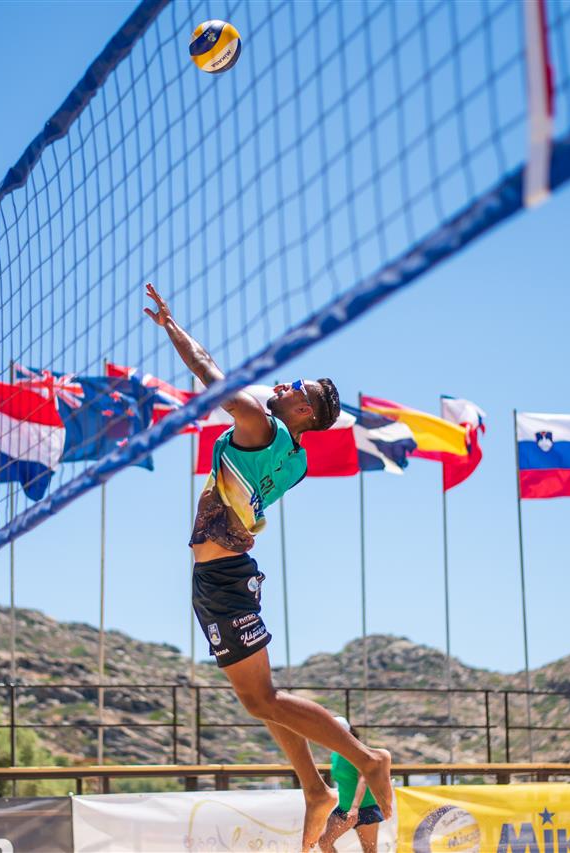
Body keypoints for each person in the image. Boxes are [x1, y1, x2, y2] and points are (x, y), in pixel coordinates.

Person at [143, 283, 393, 852]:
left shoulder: (259, 422)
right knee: (263, 698)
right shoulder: (297, 460)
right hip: (222, 577)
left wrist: (172, 328)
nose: (282, 386)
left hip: (225, 577)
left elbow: (210, 373)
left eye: (294, 389)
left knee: (262, 701)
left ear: (303, 411)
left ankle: (365, 759)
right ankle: (315, 789)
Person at [318, 717, 385, 853]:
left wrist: (355, 808)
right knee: (324, 841)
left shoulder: (358, 751)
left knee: (370, 851)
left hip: (365, 807)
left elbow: (363, 779)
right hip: (344, 807)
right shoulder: (335, 754)